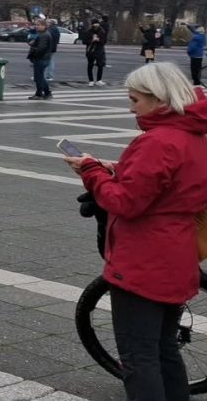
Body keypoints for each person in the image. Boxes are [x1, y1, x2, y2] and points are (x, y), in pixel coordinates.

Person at [64, 65, 207, 401]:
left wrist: (91, 173)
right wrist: (114, 169)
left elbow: (125, 202)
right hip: (178, 252)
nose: (131, 108)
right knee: (165, 349)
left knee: (138, 359)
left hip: (144, 259)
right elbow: (166, 181)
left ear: (159, 100)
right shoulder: (194, 135)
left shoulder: (158, 142)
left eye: (135, 100)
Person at [27, 16, 54, 100]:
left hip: (41, 58)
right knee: (40, 77)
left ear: (44, 26)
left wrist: (33, 50)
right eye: (36, 25)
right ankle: (47, 93)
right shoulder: (44, 34)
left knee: (38, 77)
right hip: (44, 58)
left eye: (38, 25)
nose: (36, 26)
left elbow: (41, 48)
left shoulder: (44, 35)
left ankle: (39, 94)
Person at [84, 17, 109, 86]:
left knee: (100, 65)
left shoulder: (102, 31)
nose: (96, 25)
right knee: (90, 65)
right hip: (91, 51)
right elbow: (85, 41)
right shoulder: (89, 32)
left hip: (99, 50)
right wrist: (92, 40)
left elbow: (104, 41)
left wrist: (98, 40)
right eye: (94, 24)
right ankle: (91, 80)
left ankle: (99, 80)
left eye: (97, 24)